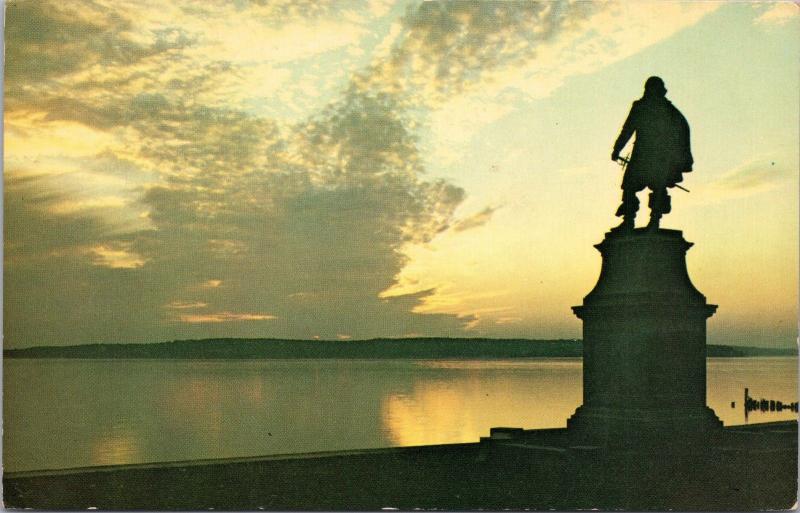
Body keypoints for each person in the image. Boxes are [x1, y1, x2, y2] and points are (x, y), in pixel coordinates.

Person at [610, 76, 693, 232]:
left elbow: (681, 130)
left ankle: (652, 222)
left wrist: (676, 157)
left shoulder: (667, 110)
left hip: (658, 158)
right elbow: (628, 129)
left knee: (657, 189)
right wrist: (617, 148)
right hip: (642, 156)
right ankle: (629, 221)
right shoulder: (642, 107)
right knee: (629, 187)